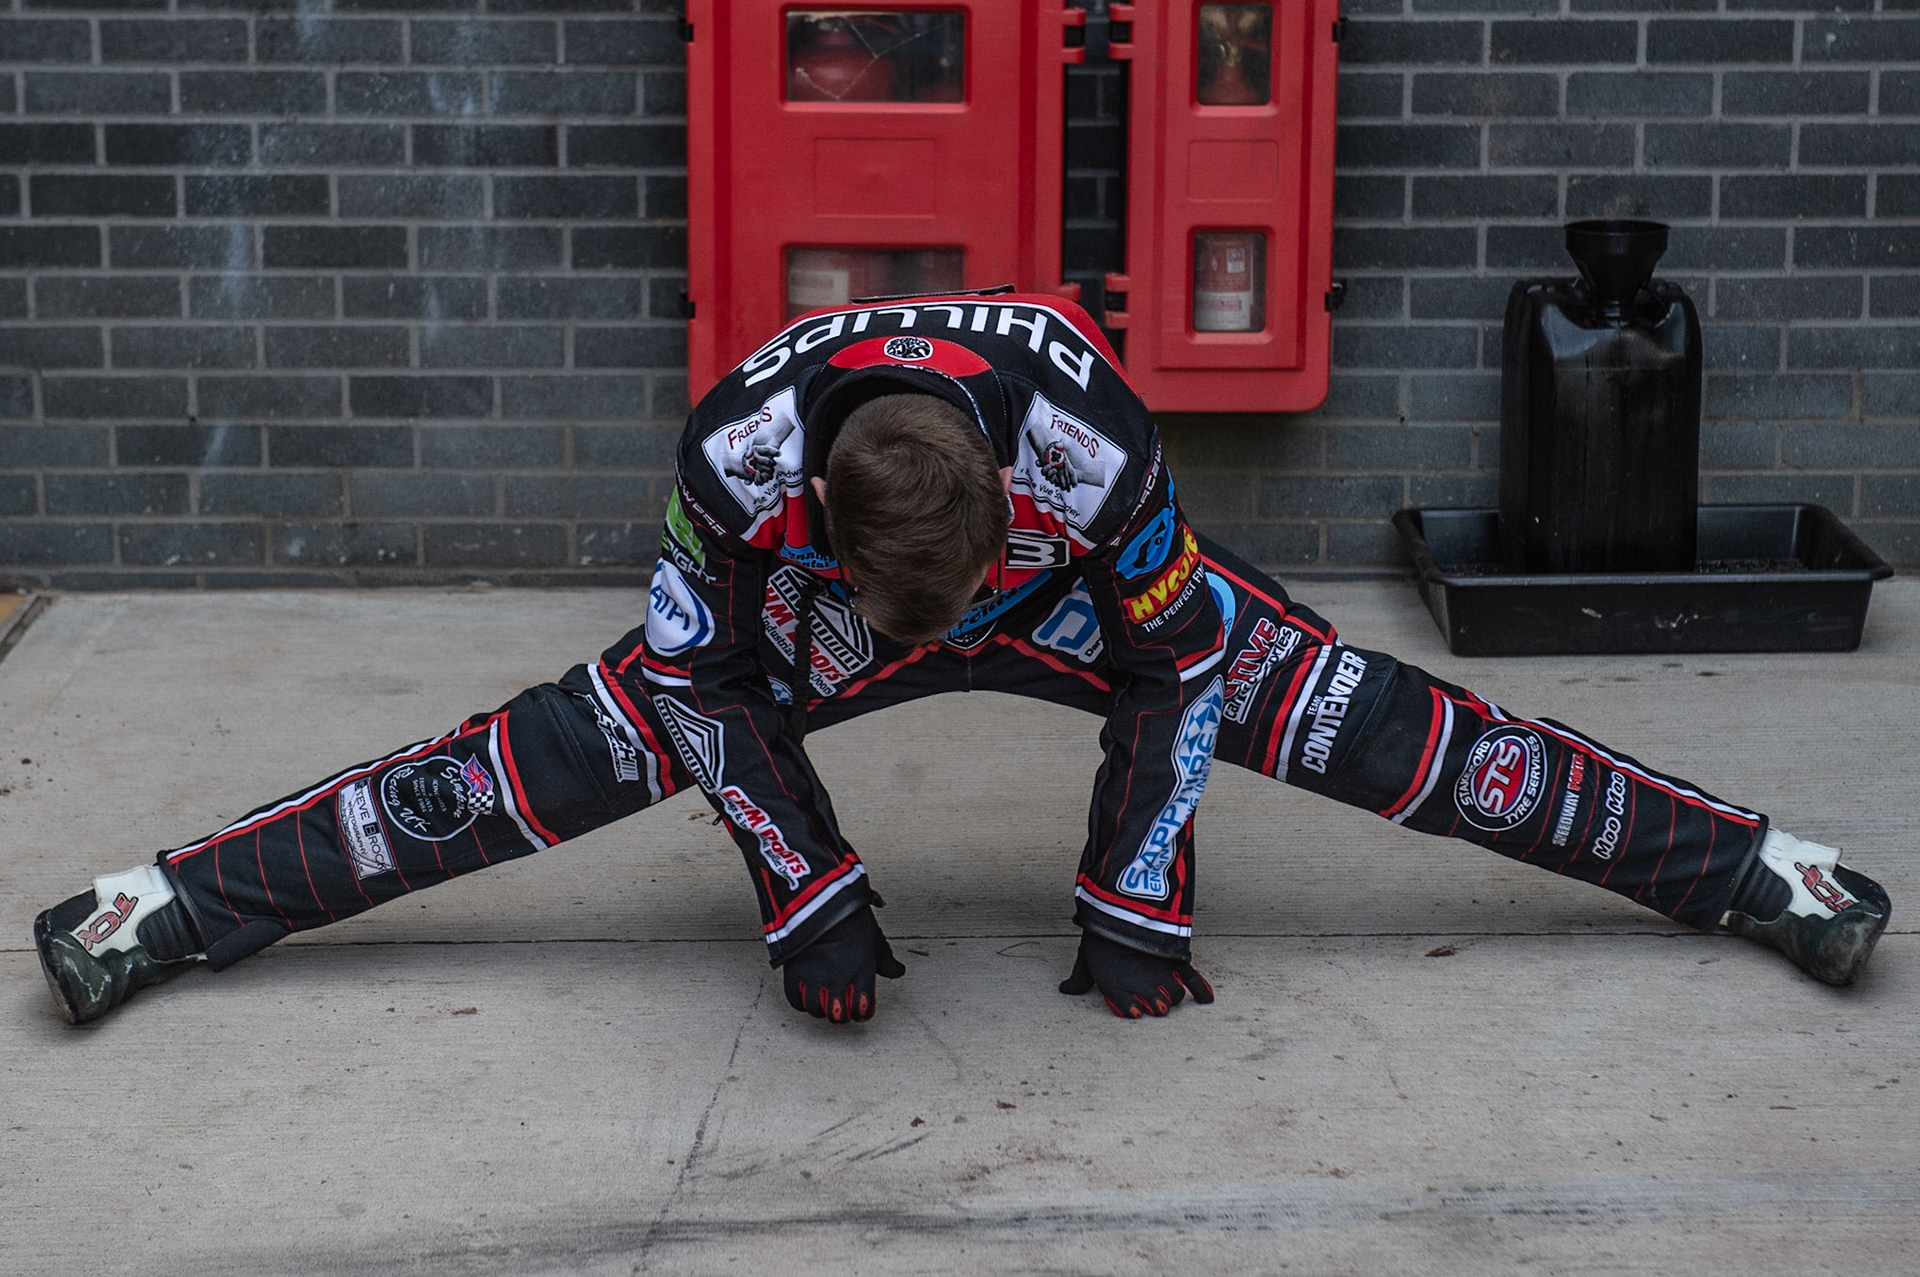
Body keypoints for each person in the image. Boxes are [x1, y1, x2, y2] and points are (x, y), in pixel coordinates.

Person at [34, 290, 1892, 1028]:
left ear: (1018, 487)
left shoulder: (1092, 442)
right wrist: (813, 898)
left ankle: (1760, 869)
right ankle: (162, 906)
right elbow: (700, 684)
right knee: (528, 764)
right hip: (817, 618)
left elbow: (1176, 670)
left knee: (1394, 726)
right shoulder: (736, 459)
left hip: (1083, 593)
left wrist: (1135, 903)